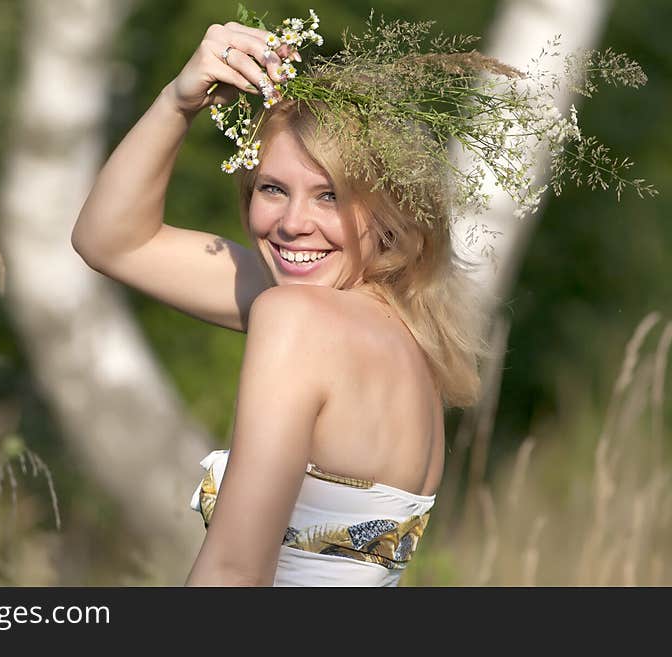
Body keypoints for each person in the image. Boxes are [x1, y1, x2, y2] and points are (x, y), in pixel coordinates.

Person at [72, 19, 490, 586]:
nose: (293, 224)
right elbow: (112, 241)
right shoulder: (402, 334)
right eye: (273, 189)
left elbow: (234, 572)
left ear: (391, 213)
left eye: (330, 196)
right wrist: (177, 103)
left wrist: (179, 106)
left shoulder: (297, 318)